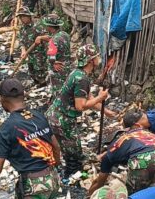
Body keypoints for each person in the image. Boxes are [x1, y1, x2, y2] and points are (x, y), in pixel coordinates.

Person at [46, 44, 115, 177]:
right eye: (97, 57)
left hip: (56, 116)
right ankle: (70, 180)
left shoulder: (78, 73)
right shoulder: (82, 78)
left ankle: (63, 173)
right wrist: (101, 97)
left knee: (68, 149)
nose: (99, 59)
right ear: (90, 60)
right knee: (74, 154)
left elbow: (88, 98)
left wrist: (105, 111)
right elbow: (81, 106)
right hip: (62, 119)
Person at [87, 128, 155, 197]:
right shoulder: (142, 132)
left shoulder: (111, 151)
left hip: (142, 158)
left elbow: (99, 182)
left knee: (135, 198)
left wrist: (90, 197)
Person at [17, 6, 49, 86]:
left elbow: (49, 37)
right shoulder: (22, 29)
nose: (21, 19)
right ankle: (37, 84)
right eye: (20, 17)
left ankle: (43, 85)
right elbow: (21, 41)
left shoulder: (37, 26)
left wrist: (41, 37)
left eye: (23, 16)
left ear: (28, 16)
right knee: (32, 72)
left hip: (39, 54)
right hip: (29, 54)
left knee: (40, 73)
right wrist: (23, 51)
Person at [43, 14, 71, 99]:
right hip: (66, 66)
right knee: (66, 88)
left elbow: (52, 55)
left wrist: (53, 62)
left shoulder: (54, 40)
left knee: (57, 91)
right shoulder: (65, 34)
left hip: (57, 70)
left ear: (49, 26)